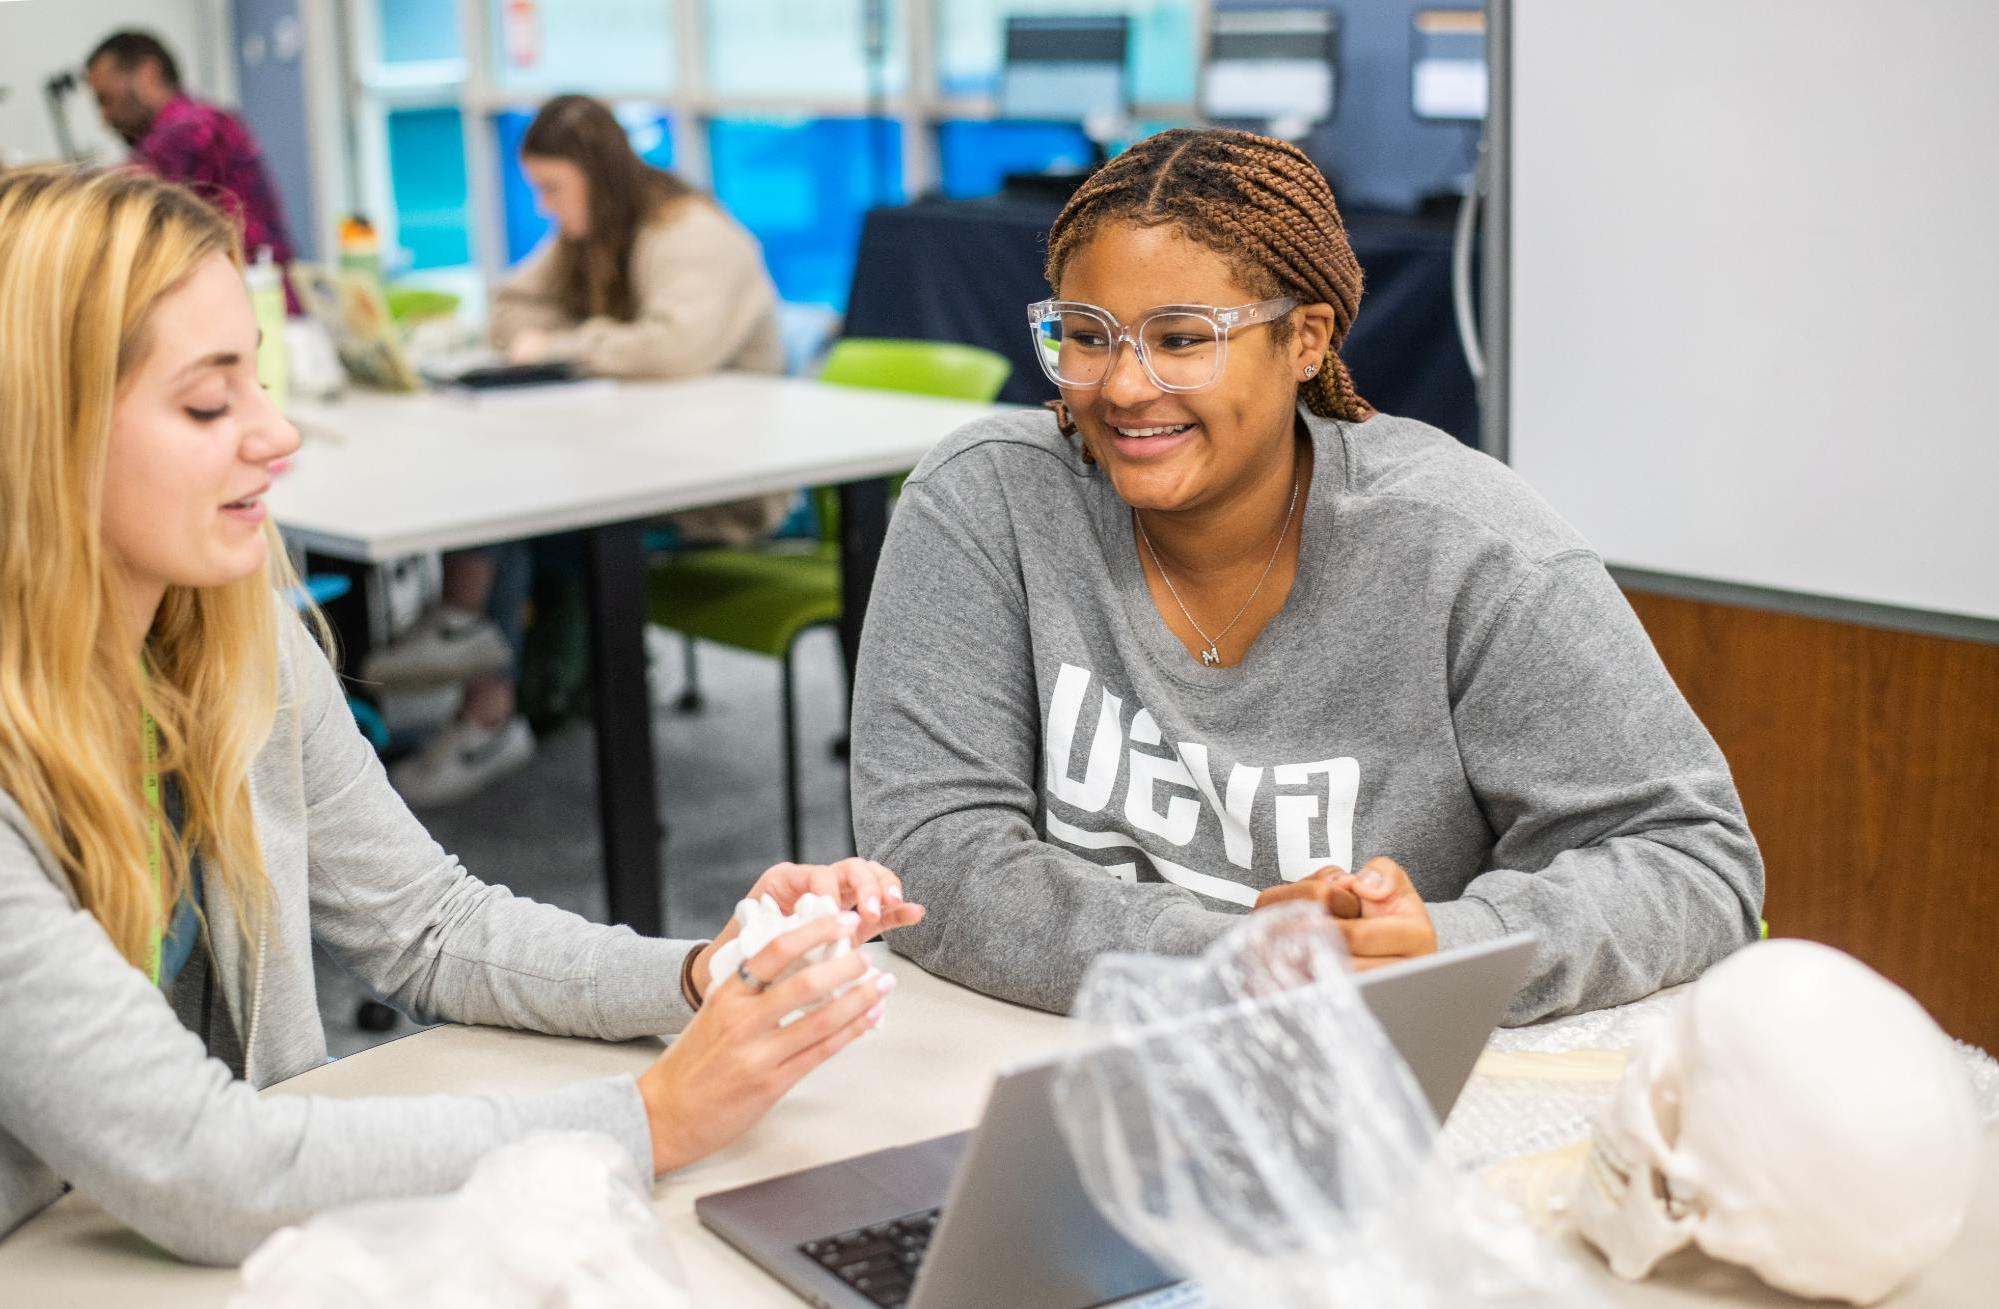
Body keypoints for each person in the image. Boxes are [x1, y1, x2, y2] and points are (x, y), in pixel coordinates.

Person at [0, 166, 921, 1263]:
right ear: (38, 436)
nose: (277, 432)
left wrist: (694, 973)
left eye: (257, 377)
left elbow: (429, 924)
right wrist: (656, 1116)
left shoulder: (227, 634)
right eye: (209, 400)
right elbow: (208, 1164)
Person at [851, 128, 1764, 1025]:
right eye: (1088, 336)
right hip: (1048, 1066)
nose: (1123, 388)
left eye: (1180, 338)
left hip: (1380, 1091)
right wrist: (1237, 960)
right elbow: (934, 852)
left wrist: (1443, 947)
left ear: (1305, 341)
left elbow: (1691, 860)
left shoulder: (1470, 549)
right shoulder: (988, 504)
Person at [377, 94, 791, 807]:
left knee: (512, 505)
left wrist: (566, 343)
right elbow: (510, 308)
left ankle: (480, 690)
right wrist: (569, 335)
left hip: (717, 485)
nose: (543, 207)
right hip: (639, 460)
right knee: (502, 473)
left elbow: (672, 347)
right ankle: (470, 656)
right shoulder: (596, 228)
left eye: (550, 189)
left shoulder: (689, 233)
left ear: (596, 174)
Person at [84, 30, 294, 267]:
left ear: (147, 75)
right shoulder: (199, 125)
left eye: (107, 99)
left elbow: (122, 194)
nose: (104, 118)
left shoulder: (197, 128)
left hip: (252, 292)